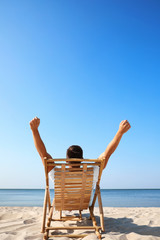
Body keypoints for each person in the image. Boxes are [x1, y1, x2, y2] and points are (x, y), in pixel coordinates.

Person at [30, 117, 131, 172]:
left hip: (62, 204)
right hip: (83, 203)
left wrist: (34, 130)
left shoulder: (57, 173)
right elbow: (107, 154)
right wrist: (120, 132)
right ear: (82, 159)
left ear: (66, 160)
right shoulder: (92, 172)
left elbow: (42, 154)